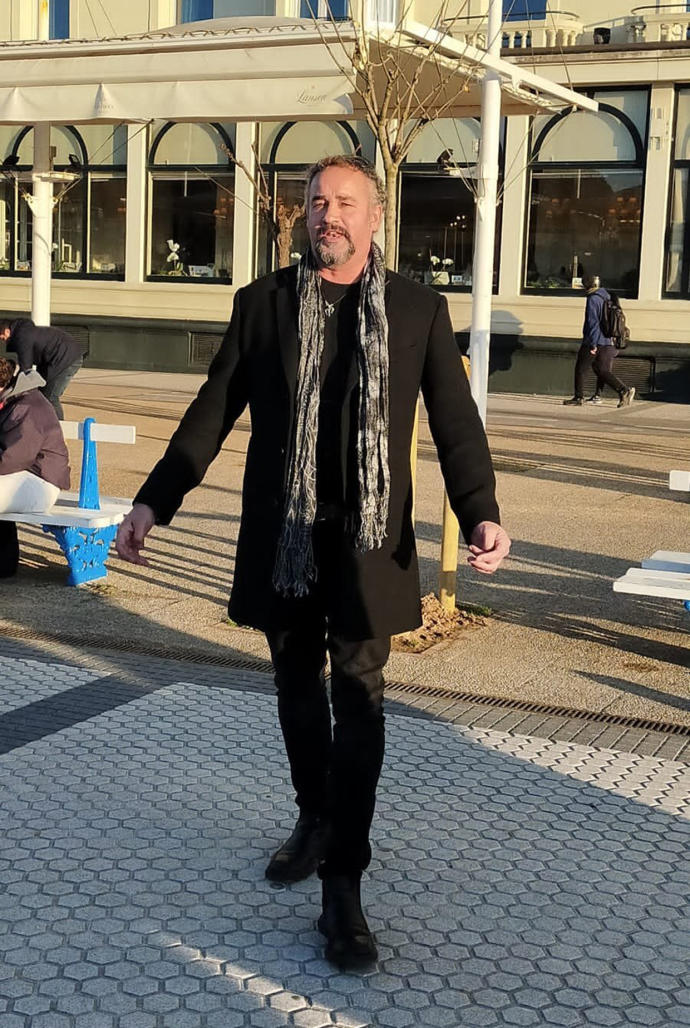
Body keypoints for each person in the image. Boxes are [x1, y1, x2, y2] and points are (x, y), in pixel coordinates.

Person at [115, 154, 511, 970]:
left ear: (374, 217)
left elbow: (454, 424)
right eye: (315, 202)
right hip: (283, 538)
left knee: (360, 700)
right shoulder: (262, 305)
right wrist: (154, 500)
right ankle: (314, 815)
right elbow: (211, 412)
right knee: (296, 685)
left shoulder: (417, 309)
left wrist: (482, 513)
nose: (326, 214)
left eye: (343, 203)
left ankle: (344, 884)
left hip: (368, 545)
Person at [0, 357, 70, 578]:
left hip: (41, 483)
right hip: (22, 476)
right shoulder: (13, 399)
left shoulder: (26, 406)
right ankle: (4, 564)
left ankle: (5, 564)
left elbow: (12, 458)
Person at [563, 274, 635, 408]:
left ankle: (578, 397)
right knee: (602, 370)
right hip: (609, 341)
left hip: (594, 340)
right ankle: (623, 390)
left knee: (581, 368)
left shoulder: (593, 299)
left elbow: (593, 323)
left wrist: (593, 344)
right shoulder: (608, 296)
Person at [0, 317, 84, 419]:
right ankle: (44, 422)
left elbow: (26, 370)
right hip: (59, 356)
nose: (3, 340)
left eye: (2, 337)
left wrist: (11, 390)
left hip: (66, 357)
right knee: (42, 393)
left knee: (50, 396)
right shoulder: (24, 331)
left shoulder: (22, 338)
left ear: (7, 331)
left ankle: (60, 426)